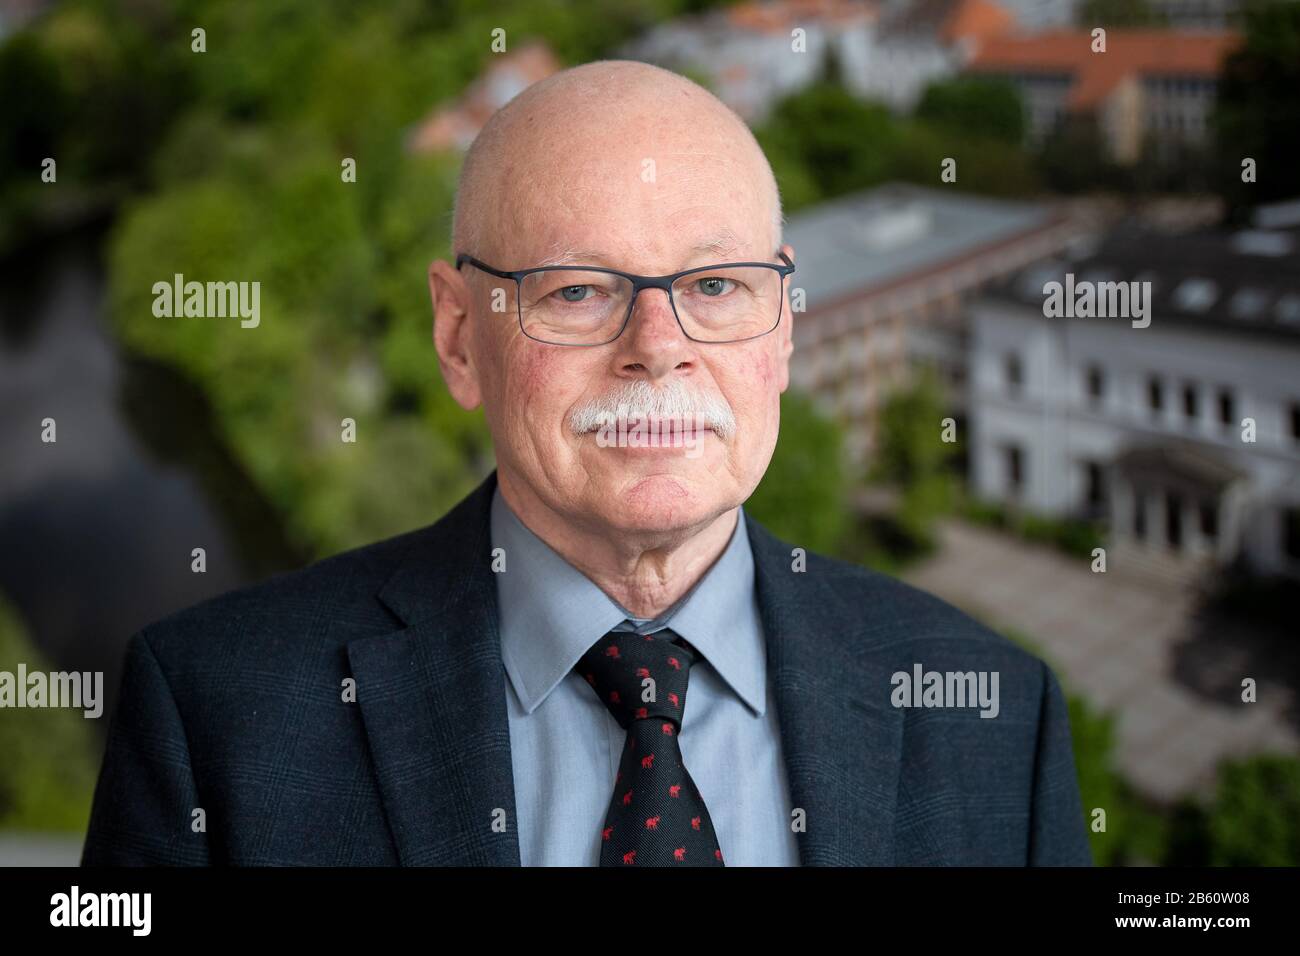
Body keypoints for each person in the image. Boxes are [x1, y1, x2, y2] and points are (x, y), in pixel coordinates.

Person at [81, 60, 1091, 866]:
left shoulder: (997, 710)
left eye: (716, 283)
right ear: (457, 335)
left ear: (782, 327)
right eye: (575, 291)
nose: (657, 343)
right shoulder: (216, 717)